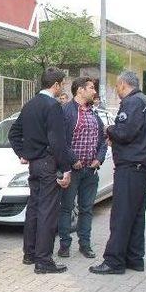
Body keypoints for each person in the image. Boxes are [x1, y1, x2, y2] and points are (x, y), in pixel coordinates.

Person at [90, 71, 146, 274]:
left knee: (120, 216)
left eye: (117, 86)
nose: (117, 91)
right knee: (135, 216)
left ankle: (114, 261)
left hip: (130, 168)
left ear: (123, 85)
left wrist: (110, 130)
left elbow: (125, 132)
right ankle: (134, 259)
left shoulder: (132, 103)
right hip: (143, 167)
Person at [8, 67, 71, 274]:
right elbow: (58, 141)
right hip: (47, 164)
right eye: (61, 84)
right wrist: (65, 169)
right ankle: (43, 261)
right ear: (55, 85)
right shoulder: (53, 106)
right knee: (47, 211)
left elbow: (14, 133)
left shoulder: (30, 105)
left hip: (35, 165)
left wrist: (23, 153)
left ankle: (30, 253)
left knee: (34, 208)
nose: (61, 87)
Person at [58, 77, 107, 259]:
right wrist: (73, 159)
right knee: (66, 208)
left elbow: (103, 141)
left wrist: (99, 159)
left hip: (91, 172)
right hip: (74, 171)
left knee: (87, 209)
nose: (94, 92)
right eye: (91, 88)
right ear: (79, 90)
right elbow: (60, 141)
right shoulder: (66, 111)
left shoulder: (94, 114)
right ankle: (64, 245)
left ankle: (85, 245)